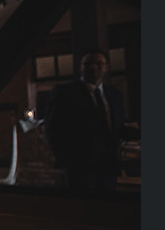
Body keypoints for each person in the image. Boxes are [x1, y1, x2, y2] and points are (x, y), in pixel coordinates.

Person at [43, 49, 127, 191]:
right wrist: (66, 159)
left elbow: (118, 125)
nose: (93, 67)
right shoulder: (64, 92)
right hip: (79, 164)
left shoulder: (114, 95)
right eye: (88, 64)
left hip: (109, 163)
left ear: (106, 67)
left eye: (99, 64)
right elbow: (53, 128)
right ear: (80, 67)